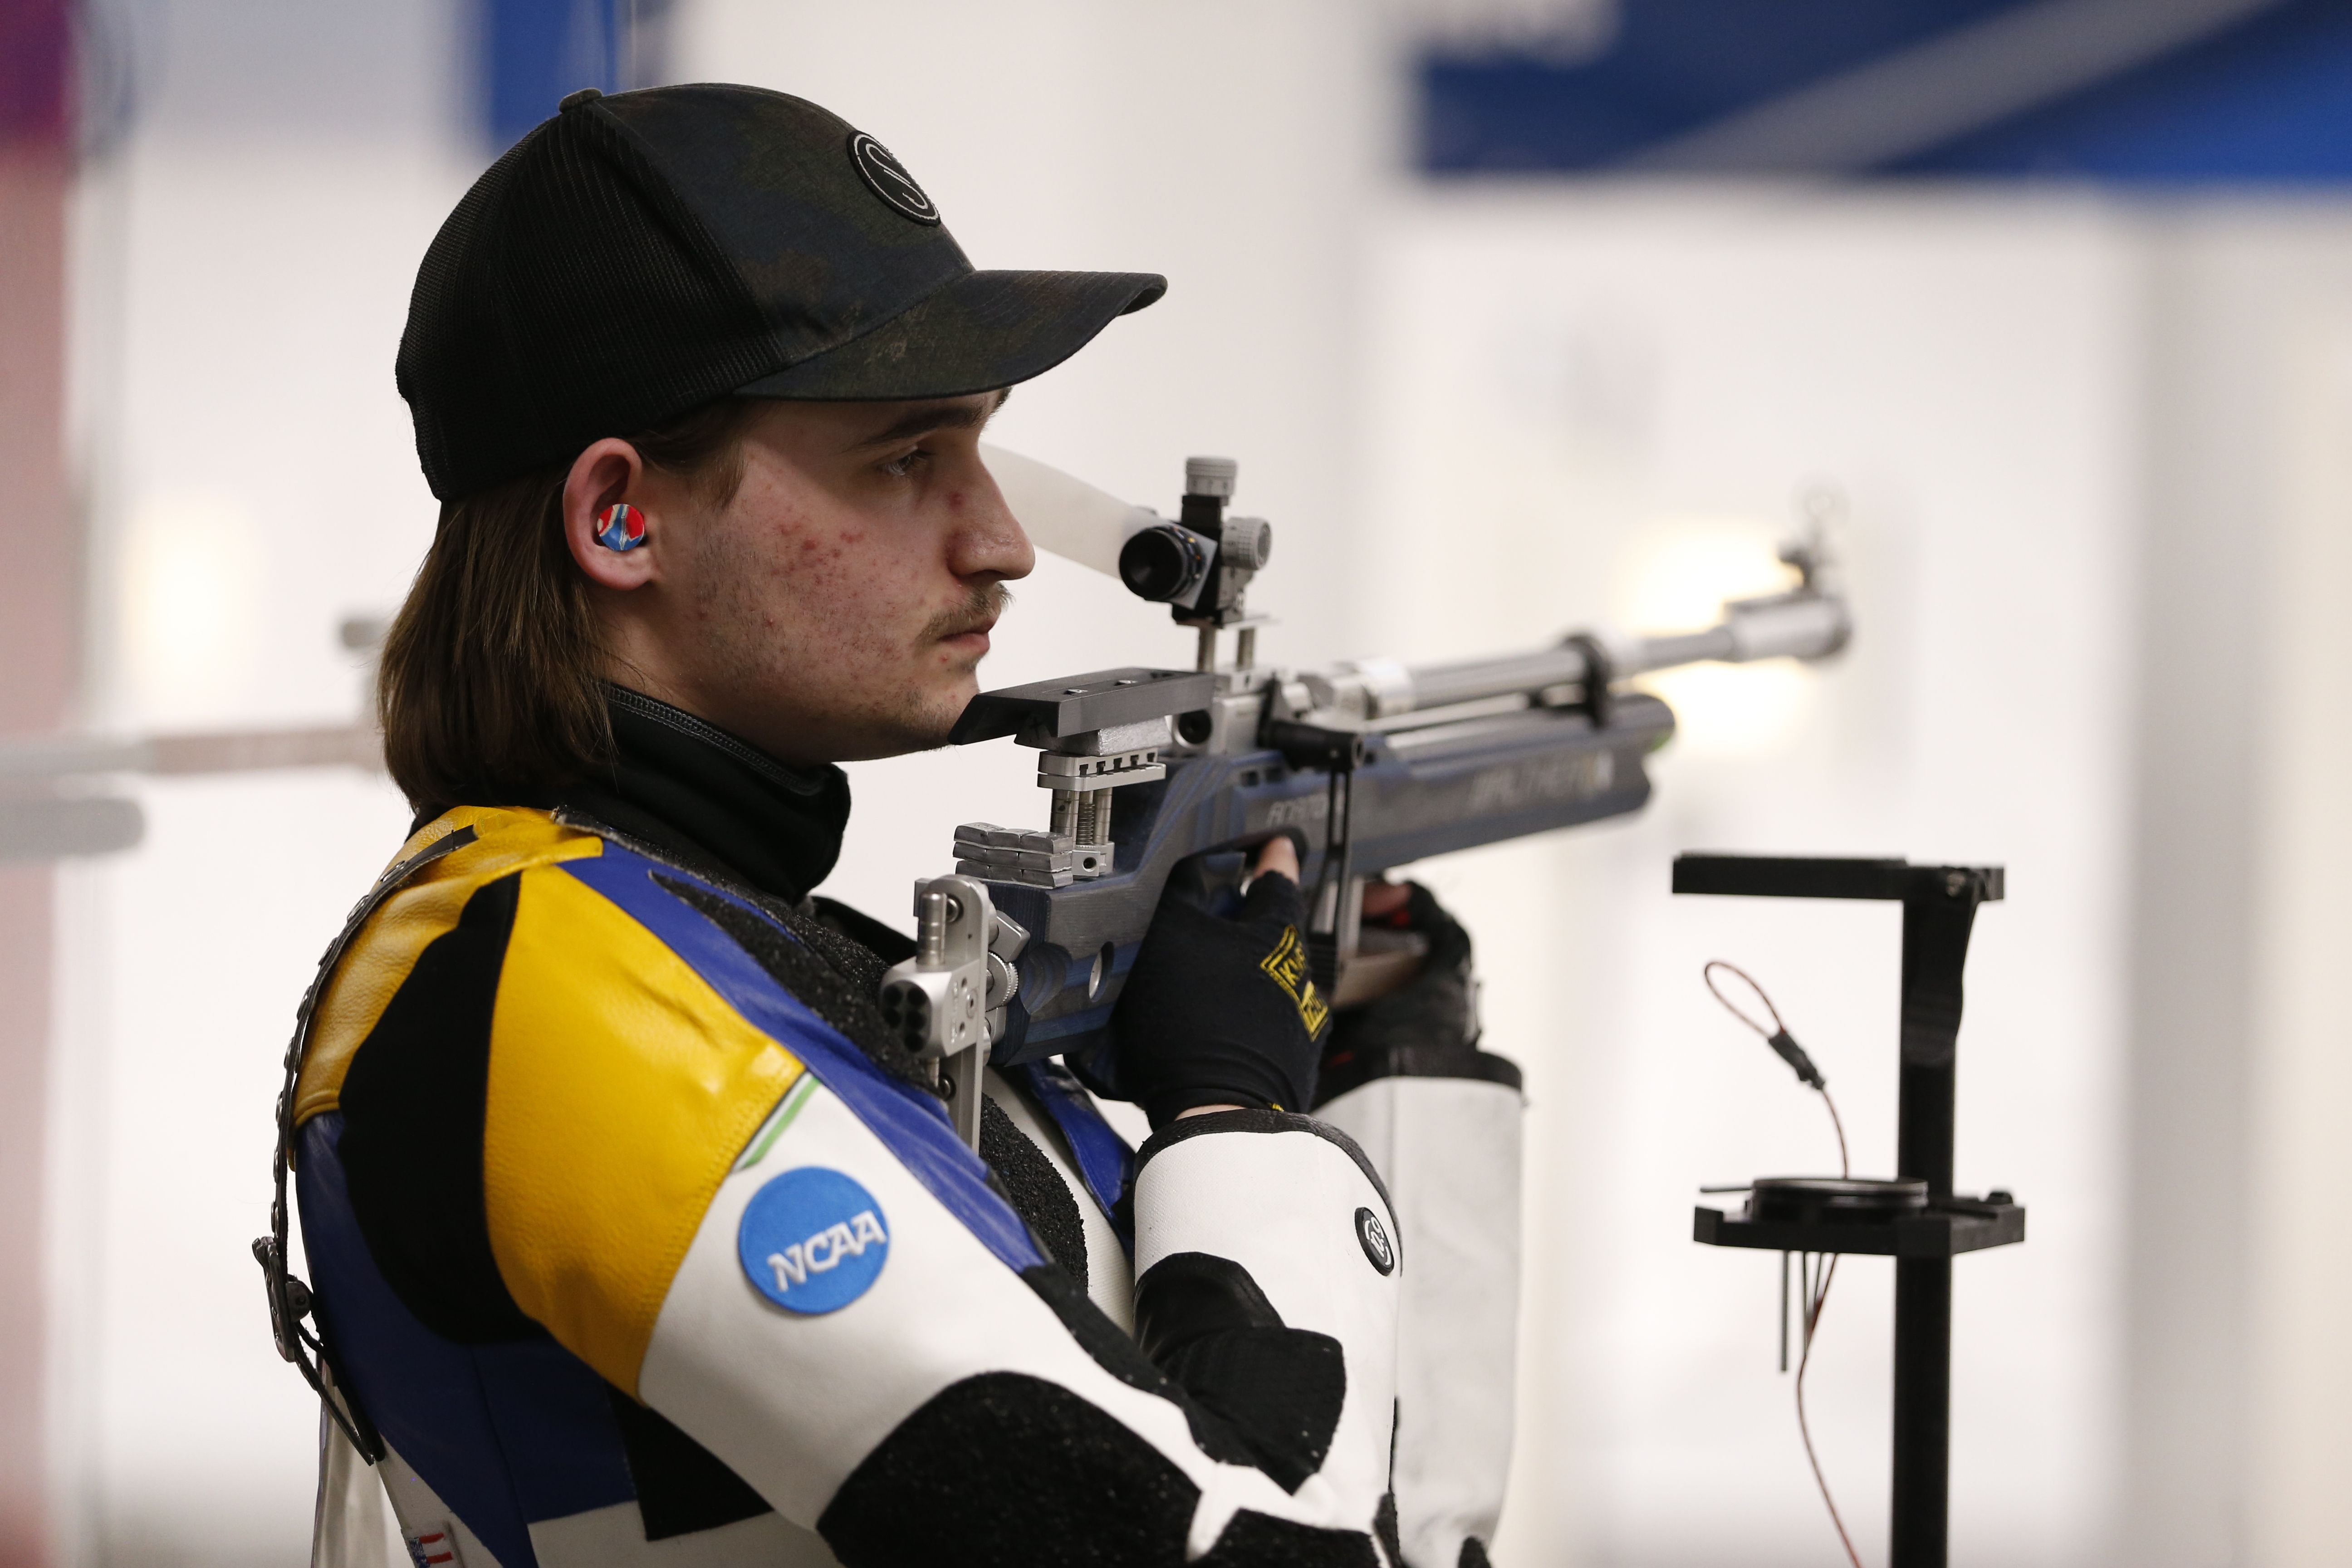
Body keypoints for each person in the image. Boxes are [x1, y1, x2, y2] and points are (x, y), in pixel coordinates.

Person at [275, 83, 1522, 1568]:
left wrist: (1390, 1059)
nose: (999, 542)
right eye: (903, 458)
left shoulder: (744, 962)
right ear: (622, 517)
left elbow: (1382, 1523)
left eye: (983, 450)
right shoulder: (544, 986)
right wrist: (1236, 1121)